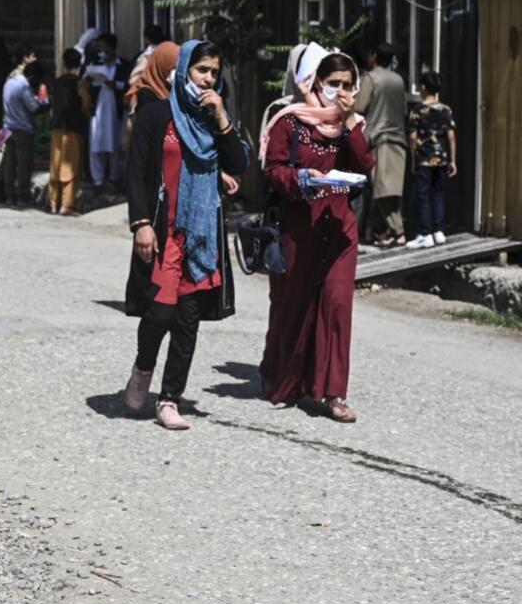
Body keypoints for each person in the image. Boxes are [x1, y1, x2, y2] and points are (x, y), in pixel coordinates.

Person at [122, 40, 249, 430]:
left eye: (214, 72)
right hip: (165, 230)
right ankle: (143, 368)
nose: (209, 79)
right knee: (160, 312)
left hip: (201, 236)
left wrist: (224, 118)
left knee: (187, 321)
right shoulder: (155, 115)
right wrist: (141, 223)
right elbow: (137, 172)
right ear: (184, 72)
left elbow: (239, 162)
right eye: (202, 70)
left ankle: (170, 398)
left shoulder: (213, 119)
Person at [259, 46, 374, 423]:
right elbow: (273, 169)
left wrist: (353, 121)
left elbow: (364, 165)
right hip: (299, 229)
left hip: (339, 229)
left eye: (347, 84)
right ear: (316, 83)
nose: (339, 91)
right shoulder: (290, 122)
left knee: (337, 308)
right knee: (294, 305)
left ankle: (333, 393)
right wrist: (301, 179)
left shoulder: (351, 128)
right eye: (332, 83)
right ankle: (285, 379)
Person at [356, 43, 407, 247]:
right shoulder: (399, 80)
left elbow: (360, 107)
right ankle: (375, 231)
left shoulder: (370, 78)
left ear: (374, 56)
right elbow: (402, 108)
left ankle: (398, 231)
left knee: (381, 189)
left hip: (378, 138)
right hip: (399, 138)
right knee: (390, 188)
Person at [406, 71, 456, 250]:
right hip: (442, 159)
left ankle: (425, 234)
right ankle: (439, 232)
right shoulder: (445, 109)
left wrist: (413, 159)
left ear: (425, 88)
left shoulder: (417, 111)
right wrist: (453, 160)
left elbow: (412, 137)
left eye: (421, 86)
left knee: (423, 195)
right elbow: (451, 136)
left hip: (424, 159)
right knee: (438, 193)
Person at [84, 33, 132, 195]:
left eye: (102, 46)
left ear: (111, 47)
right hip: (97, 111)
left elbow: (129, 85)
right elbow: (84, 83)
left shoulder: (122, 65)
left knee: (115, 144)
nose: (100, 50)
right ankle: (97, 179)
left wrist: (116, 85)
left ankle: (113, 178)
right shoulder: (94, 65)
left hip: (115, 111)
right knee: (96, 144)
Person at [0, 60, 49, 208]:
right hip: (22, 130)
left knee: (10, 164)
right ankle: (22, 196)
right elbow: (33, 108)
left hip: (8, 127)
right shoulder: (23, 87)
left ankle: (9, 196)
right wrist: (46, 104)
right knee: (23, 165)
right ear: (32, 76)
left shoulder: (9, 83)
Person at [48, 48, 91, 215]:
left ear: (64, 63)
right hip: (73, 127)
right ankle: (66, 204)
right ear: (79, 64)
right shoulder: (79, 83)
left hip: (56, 127)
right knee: (70, 166)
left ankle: (53, 203)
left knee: (55, 165)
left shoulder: (57, 82)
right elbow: (85, 103)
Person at [125, 41, 178, 117]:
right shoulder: (146, 94)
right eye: (173, 67)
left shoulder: (170, 88)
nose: (175, 71)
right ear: (161, 65)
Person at [127, 24, 168, 95]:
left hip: (147, 93)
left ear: (146, 39)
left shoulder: (144, 56)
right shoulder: (169, 53)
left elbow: (133, 80)